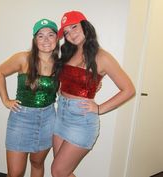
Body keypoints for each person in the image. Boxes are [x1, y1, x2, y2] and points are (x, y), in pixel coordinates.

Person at [51, 11, 135, 177]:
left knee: (57, 171)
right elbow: (66, 81)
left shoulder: (102, 57)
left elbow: (129, 89)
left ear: (85, 25)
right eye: (66, 32)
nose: (70, 34)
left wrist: (99, 109)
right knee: (62, 172)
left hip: (81, 121)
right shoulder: (68, 53)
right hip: (60, 115)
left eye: (74, 27)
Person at [0, 19, 59, 177]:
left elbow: (67, 89)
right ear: (34, 40)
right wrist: (6, 100)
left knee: (37, 163)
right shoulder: (23, 58)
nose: (46, 40)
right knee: (15, 173)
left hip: (48, 119)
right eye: (40, 36)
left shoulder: (61, 64)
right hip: (21, 119)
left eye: (50, 35)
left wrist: (93, 86)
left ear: (57, 39)